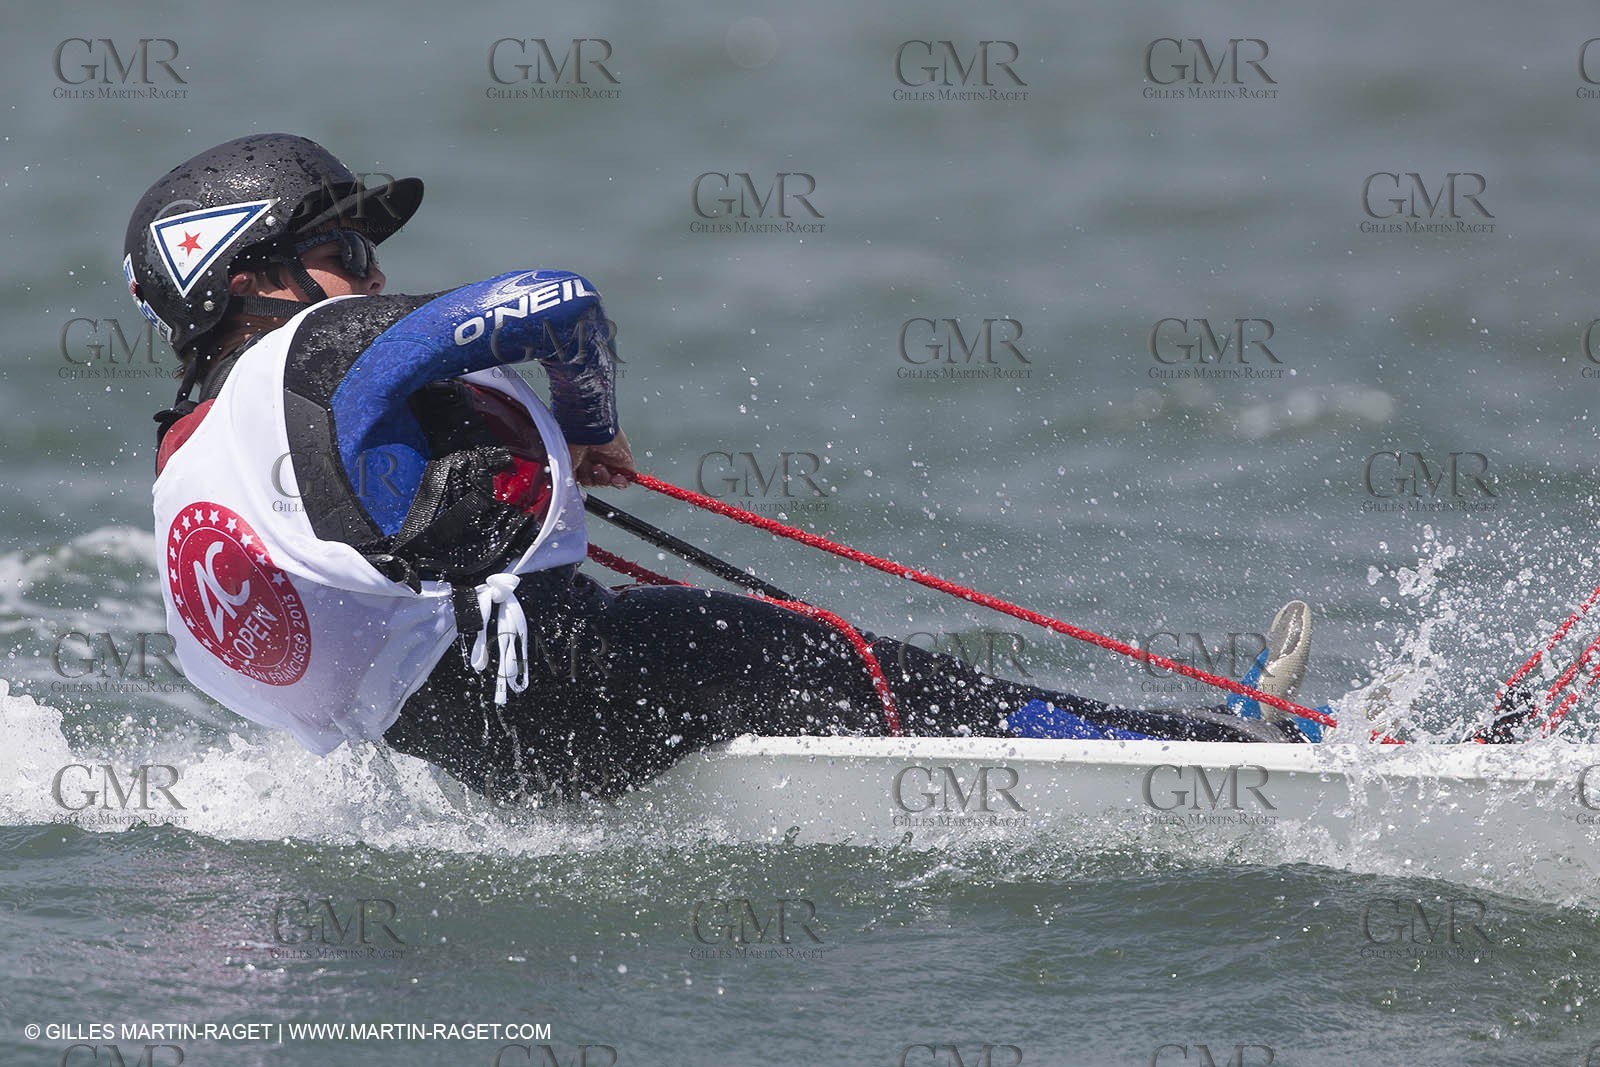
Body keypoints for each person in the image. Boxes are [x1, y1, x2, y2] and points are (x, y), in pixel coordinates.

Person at [130, 134, 1320, 805]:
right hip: (576, 686)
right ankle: (1231, 758)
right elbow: (558, 300)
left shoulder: (190, 468)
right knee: (851, 658)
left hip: (481, 755)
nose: (373, 276)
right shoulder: (323, 344)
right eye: (341, 251)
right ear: (251, 279)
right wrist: (587, 424)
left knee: (720, 653)